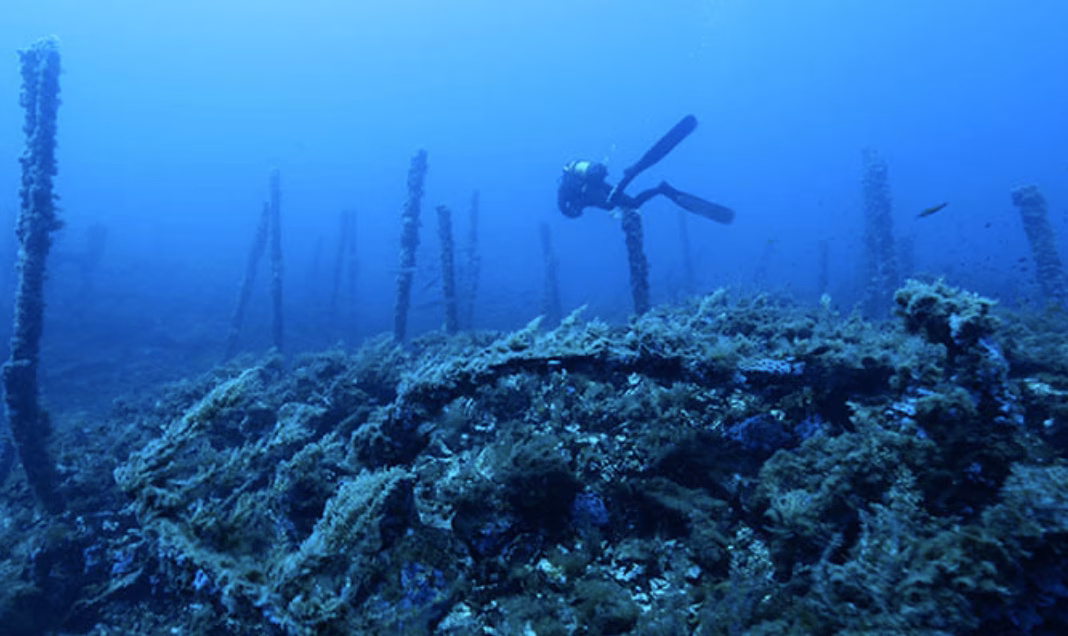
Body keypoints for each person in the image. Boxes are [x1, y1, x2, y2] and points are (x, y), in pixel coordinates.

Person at [557, 114, 734, 224]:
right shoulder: (579, 201)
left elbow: (598, 200)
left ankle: (633, 173)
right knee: (633, 203)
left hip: (592, 184)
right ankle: (662, 189)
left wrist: (610, 206)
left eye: (576, 210)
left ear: (571, 207)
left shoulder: (566, 196)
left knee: (611, 203)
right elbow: (598, 197)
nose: (580, 210)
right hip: (594, 183)